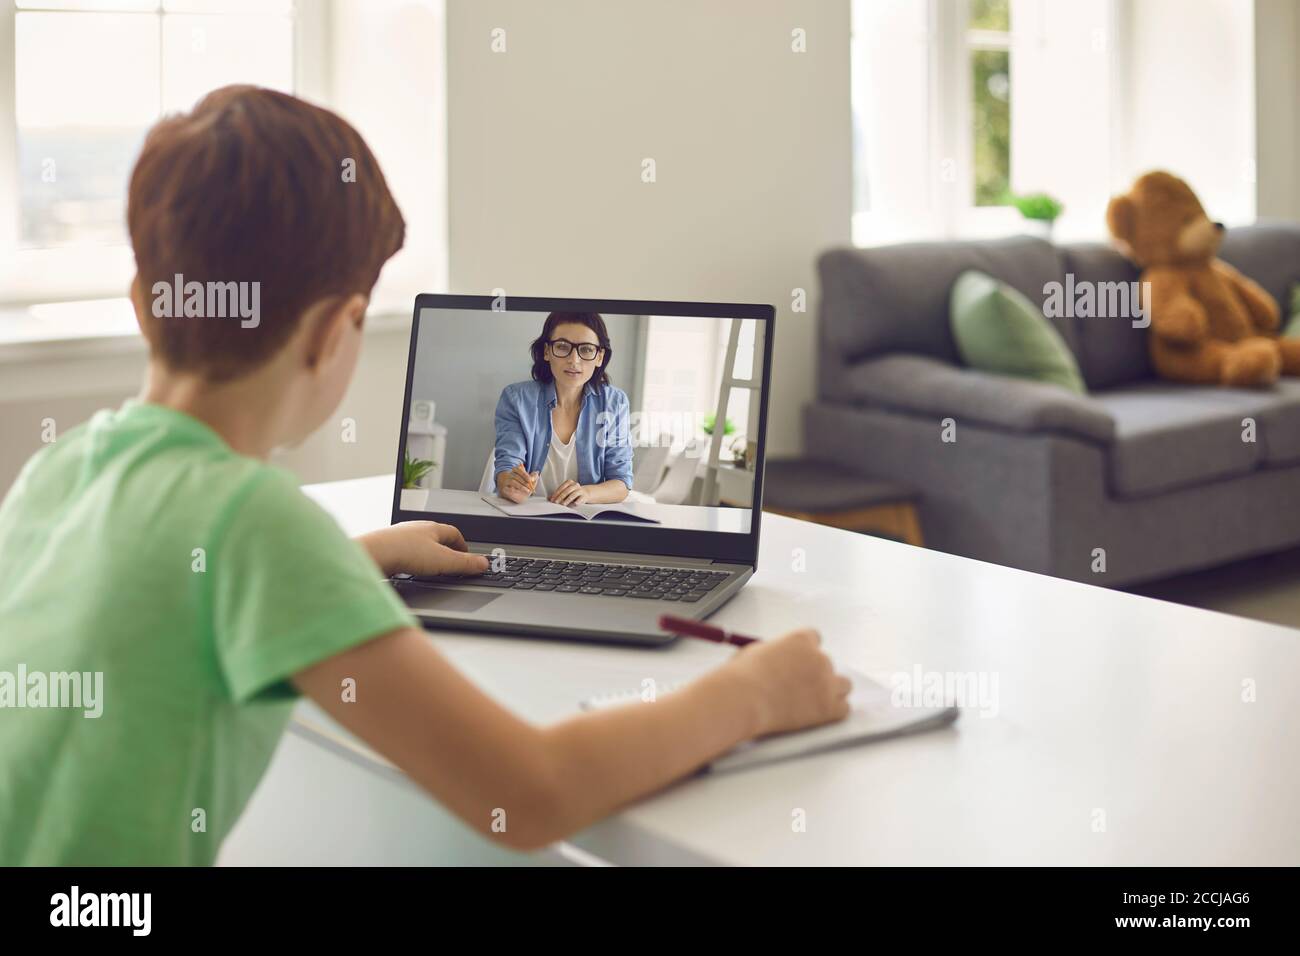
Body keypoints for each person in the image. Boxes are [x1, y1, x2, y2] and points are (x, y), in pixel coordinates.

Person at [0, 86, 850, 864]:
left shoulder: (60, 469)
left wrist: (356, 555)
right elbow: (528, 792)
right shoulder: (251, 521)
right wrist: (751, 696)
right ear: (336, 333)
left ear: (143, 300)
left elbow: (177, 585)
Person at [492, 311, 632, 507]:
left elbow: (622, 482)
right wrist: (511, 483)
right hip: (527, 515)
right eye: (562, 347)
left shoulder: (614, 403)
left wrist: (586, 493)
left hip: (587, 521)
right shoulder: (517, 399)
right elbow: (507, 466)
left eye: (586, 349)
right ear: (547, 352)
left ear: (599, 356)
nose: (574, 360)